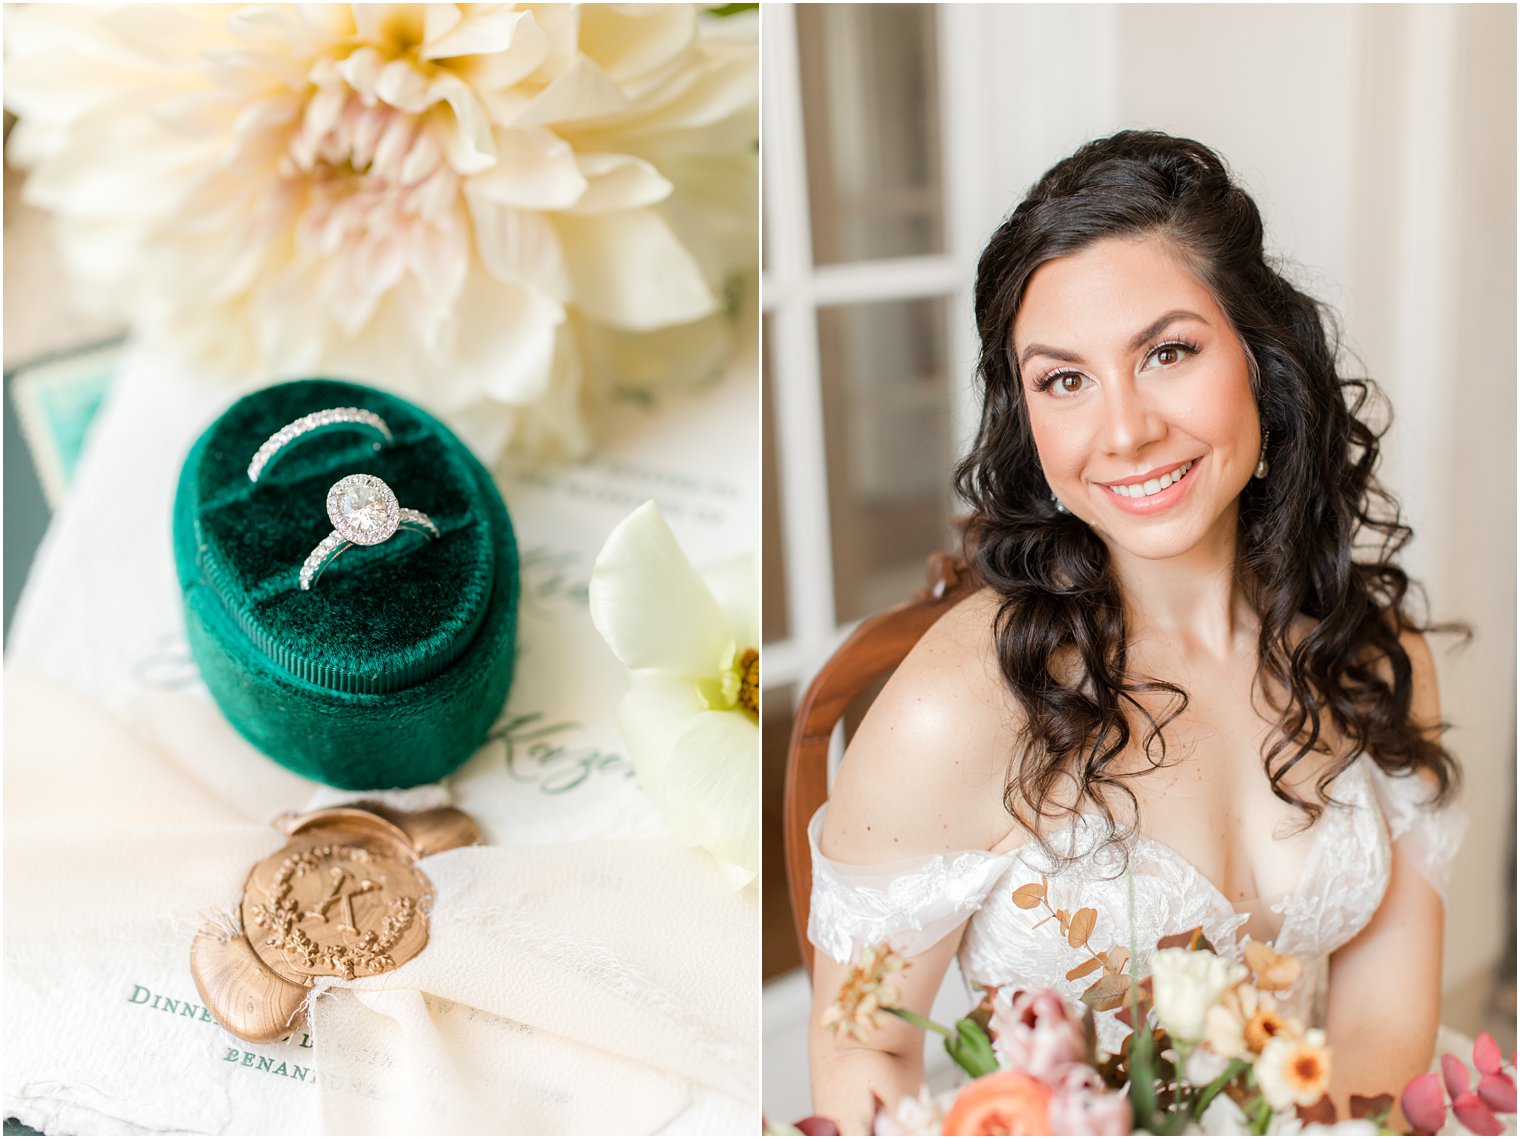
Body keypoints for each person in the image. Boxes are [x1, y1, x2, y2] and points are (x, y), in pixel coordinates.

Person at [806, 131, 1468, 1134]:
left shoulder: (1372, 659)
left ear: (1262, 358)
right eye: (1062, 379)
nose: (1122, 432)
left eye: (1166, 352)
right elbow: (865, 1039)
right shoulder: (955, 708)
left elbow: (1378, 1016)